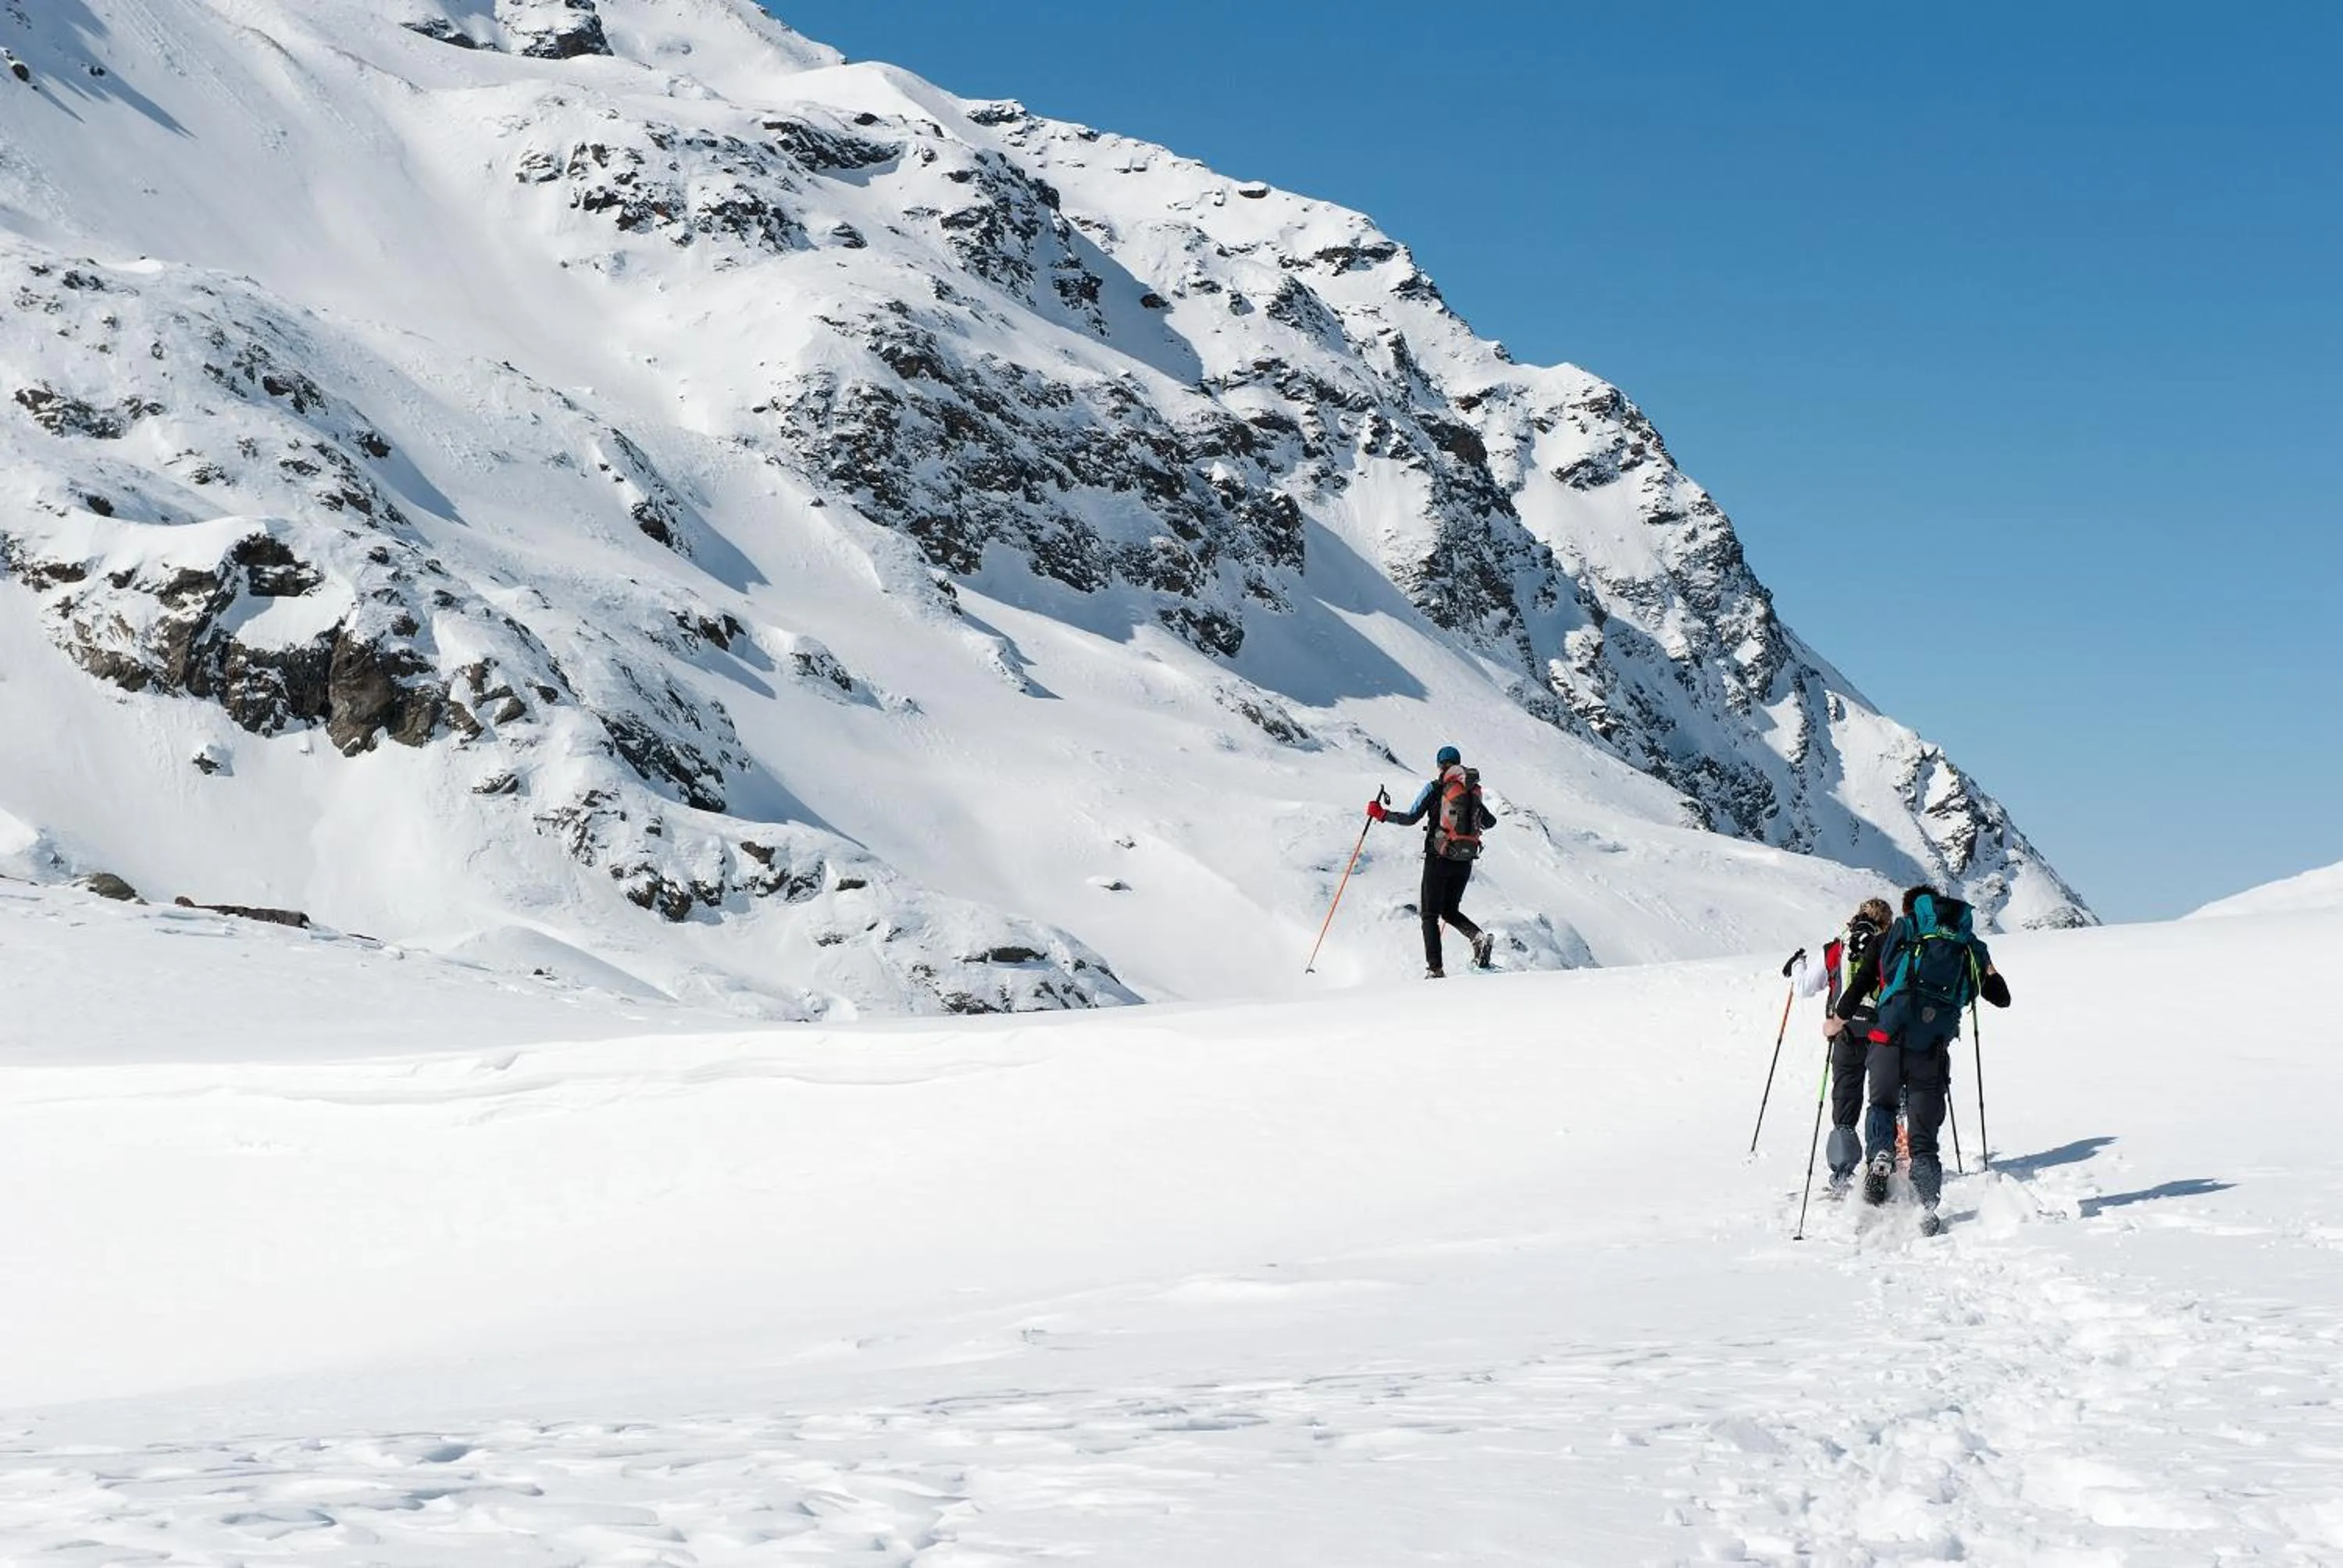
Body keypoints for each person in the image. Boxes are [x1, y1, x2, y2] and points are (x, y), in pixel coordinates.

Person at [1831, 884, 2013, 1234]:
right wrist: (1984, 970)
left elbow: (1861, 983)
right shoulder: (1968, 944)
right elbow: (2001, 997)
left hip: (1886, 1038)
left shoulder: (1897, 934)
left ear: (1908, 909)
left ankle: (1881, 1154)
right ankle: (1926, 1209)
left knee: (1882, 1106)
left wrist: (1839, 1019)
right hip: (1931, 1049)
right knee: (1924, 1137)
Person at [1785, 896, 1895, 1192]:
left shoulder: (1836, 948)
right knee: (1884, 1097)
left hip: (1844, 1030)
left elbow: (1805, 988)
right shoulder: (1888, 945)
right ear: (1887, 923)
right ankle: (1884, 1155)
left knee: (1846, 1097)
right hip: (1881, 1031)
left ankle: (1843, 1172)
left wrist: (1798, 965)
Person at [1368, 745, 1496, 978]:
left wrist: (1382, 814)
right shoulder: (1472, 792)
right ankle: (1477, 937)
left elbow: (1411, 818)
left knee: (1429, 914)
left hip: (1439, 858)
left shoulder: (1436, 788)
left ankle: (1435, 969)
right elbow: (1490, 822)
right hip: (1465, 859)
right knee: (1449, 910)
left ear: (1439, 765)